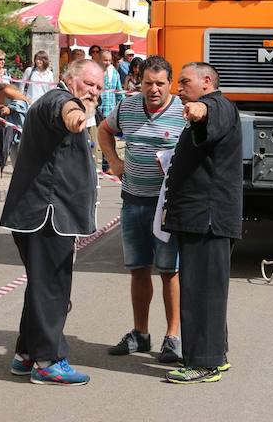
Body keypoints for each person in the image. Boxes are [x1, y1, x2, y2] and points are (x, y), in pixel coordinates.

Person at [0, 58, 103, 386]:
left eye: (99, 87)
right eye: (89, 83)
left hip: (42, 213)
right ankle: (48, 361)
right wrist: (80, 113)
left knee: (41, 286)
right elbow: (71, 119)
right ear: (69, 78)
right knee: (53, 288)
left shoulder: (52, 100)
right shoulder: (63, 101)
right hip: (49, 214)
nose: (94, 92)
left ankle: (26, 354)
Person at [100, 56, 185, 363]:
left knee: (169, 271)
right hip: (133, 201)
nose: (153, 89)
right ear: (139, 82)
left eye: (160, 83)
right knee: (138, 269)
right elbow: (103, 130)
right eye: (148, 83)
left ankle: (172, 337)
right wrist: (115, 162)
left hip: (166, 207)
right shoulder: (128, 107)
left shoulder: (182, 112)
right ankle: (141, 333)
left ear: (170, 84)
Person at [162, 63, 241, 384]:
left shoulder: (217, 105)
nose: (178, 89)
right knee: (205, 289)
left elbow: (206, 112)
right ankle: (213, 355)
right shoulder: (216, 105)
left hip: (207, 219)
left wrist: (197, 109)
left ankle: (204, 363)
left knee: (200, 292)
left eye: (185, 83)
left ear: (207, 82)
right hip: (199, 218)